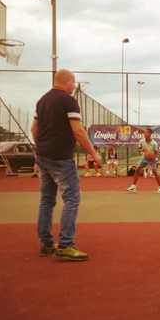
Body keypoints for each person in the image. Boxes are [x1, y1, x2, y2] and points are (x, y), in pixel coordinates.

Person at [32, 69, 102, 261]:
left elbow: (34, 129)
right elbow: (78, 131)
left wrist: (41, 148)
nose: (74, 87)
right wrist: (94, 154)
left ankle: (46, 244)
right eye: (73, 83)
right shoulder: (68, 101)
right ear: (67, 82)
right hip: (61, 158)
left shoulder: (42, 101)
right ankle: (65, 245)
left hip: (43, 156)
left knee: (47, 200)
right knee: (72, 199)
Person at [127, 127, 160, 194]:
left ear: (150, 134)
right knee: (137, 169)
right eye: (144, 132)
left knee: (155, 172)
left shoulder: (154, 143)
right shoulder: (141, 141)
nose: (144, 134)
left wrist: (153, 157)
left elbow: (157, 153)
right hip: (144, 157)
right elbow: (139, 149)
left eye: (146, 132)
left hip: (152, 158)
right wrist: (143, 151)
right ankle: (133, 186)